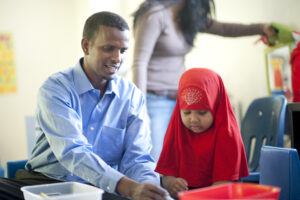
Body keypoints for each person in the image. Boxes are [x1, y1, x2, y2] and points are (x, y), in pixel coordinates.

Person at [0, 11, 168, 200]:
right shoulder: (56, 89)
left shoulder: (132, 96)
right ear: (86, 46)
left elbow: (138, 159)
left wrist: (151, 191)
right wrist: (127, 187)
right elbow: (73, 152)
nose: (117, 58)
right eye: (109, 48)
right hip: (44, 183)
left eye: (123, 51)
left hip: (98, 188)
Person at [132, 0, 277, 162]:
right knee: (155, 160)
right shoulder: (154, 15)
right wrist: (140, 107)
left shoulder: (188, 17)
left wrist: (262, 28)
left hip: (183, 101)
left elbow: (223, 28)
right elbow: (139, 62)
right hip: (155, 100)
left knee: (184, 160)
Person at [155, 68, 249, 198]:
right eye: (186, 112)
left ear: (216, 106)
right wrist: (172, 184)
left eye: (202, 112)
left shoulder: (228, 134)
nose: (193, 119)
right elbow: (166, 173)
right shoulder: (177, 131)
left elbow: (223, 185)